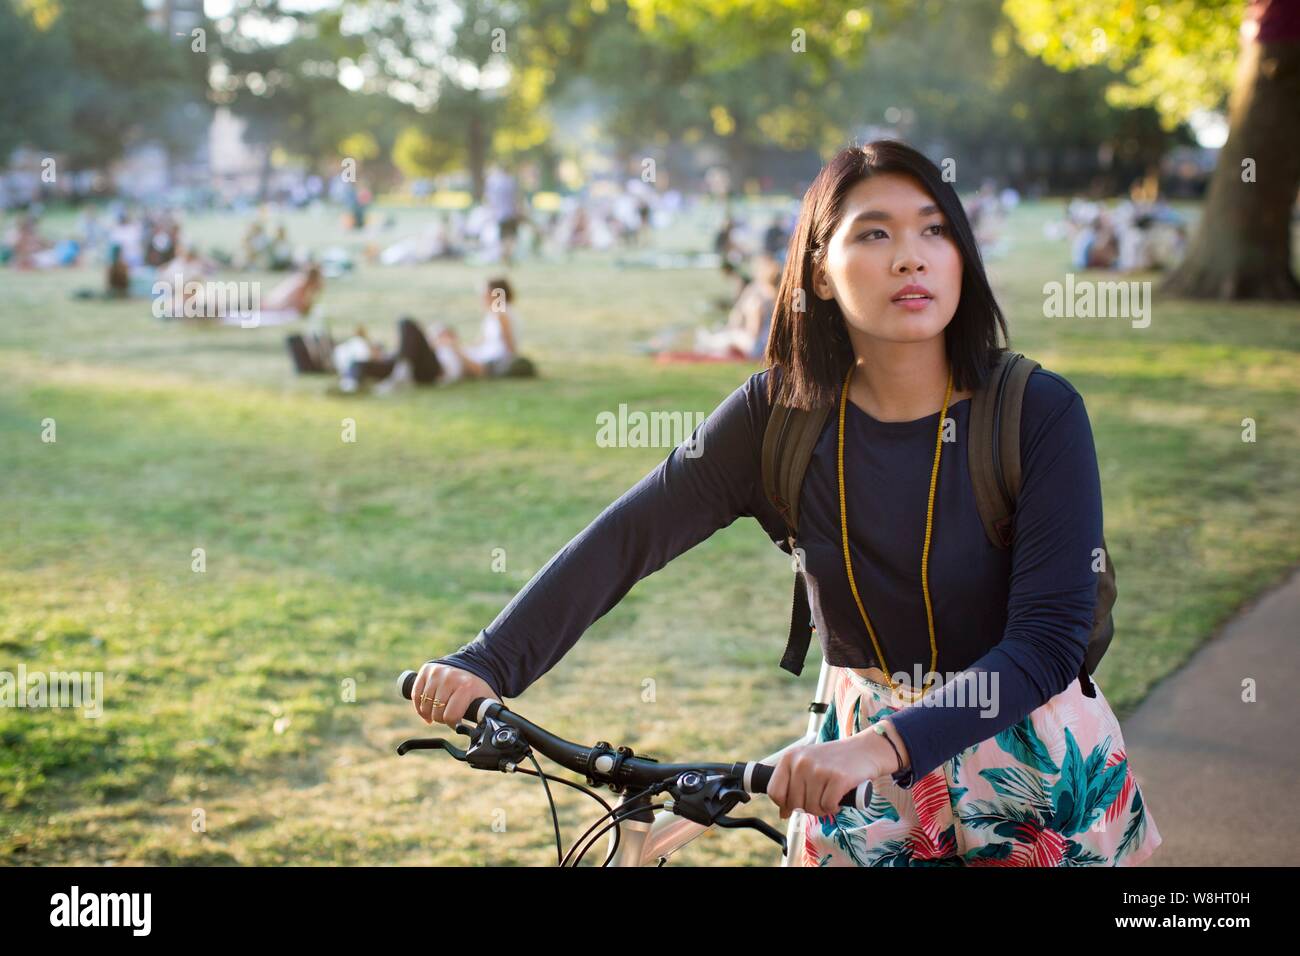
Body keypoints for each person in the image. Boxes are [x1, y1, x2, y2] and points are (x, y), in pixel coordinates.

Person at [409, 140, 1163, 868]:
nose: (912, 255)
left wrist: (883, 748)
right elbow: (626, 539)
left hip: (1024, 752)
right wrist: (488, 660)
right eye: (875, 233)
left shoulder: (1037, 413)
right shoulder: (779, 414)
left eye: (935, 230)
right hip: (853, 757)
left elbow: (1048, 641)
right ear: (821, 274)